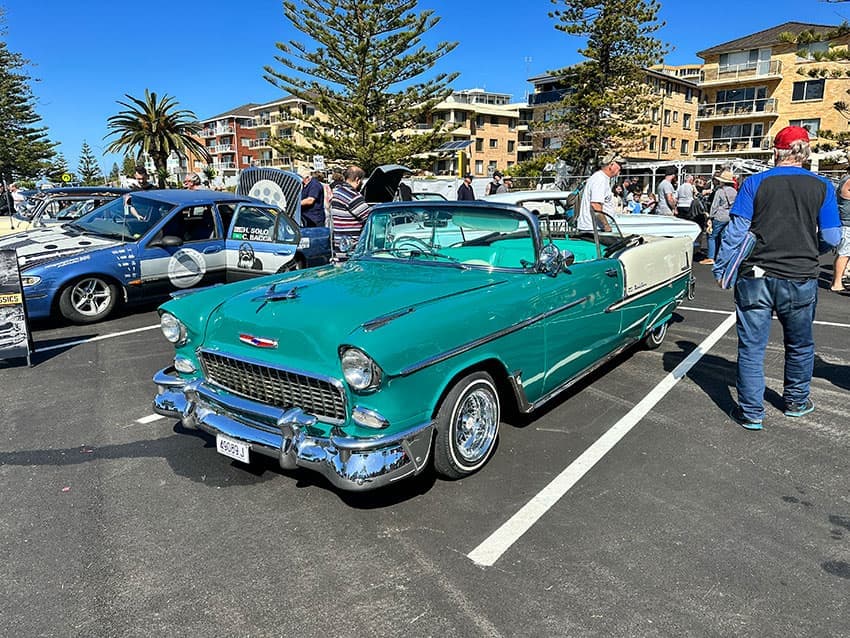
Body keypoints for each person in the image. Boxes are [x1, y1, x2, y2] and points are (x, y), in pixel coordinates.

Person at [713, 125, 841, 430]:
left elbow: (736, 233)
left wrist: (722, 269)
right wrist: (813, 245)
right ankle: (796, 401)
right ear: (806, 152)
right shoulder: (823, 186)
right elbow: (834, 237)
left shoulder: (754, 183)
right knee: (799, 344)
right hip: (800, 275)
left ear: (776, 152)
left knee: (752, 347)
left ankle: (752, 411)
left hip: (755, 275)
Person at [576, 152, 625, 233]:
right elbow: (596, 205)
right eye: (619, 165)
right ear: (611, 165)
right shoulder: (600, 179)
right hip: (593, 229)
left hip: (595, 228)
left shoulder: (602, 178)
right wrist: (606, 226)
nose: (621, 168)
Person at [331, 165, 371, 257]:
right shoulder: (352, 196)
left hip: (340, 244)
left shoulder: (337, 192)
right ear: (357, 180)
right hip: (353, 248)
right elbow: (369, 217)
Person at [700, 170, 737, 265]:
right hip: (729, 215)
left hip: (719, 216)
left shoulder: (720, 191)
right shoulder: (734, 191)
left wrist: (710, 217)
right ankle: (722, 256)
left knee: (711, 236)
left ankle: (711, 257)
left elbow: (714, 206)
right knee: (724, 236)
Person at [830, 169, 850, 292]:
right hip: (847, 223)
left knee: (846, 254)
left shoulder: (845, 179)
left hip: (846, 222)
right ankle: (836, 283)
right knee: (844, 254)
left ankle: (839, 279)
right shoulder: (848, 181)